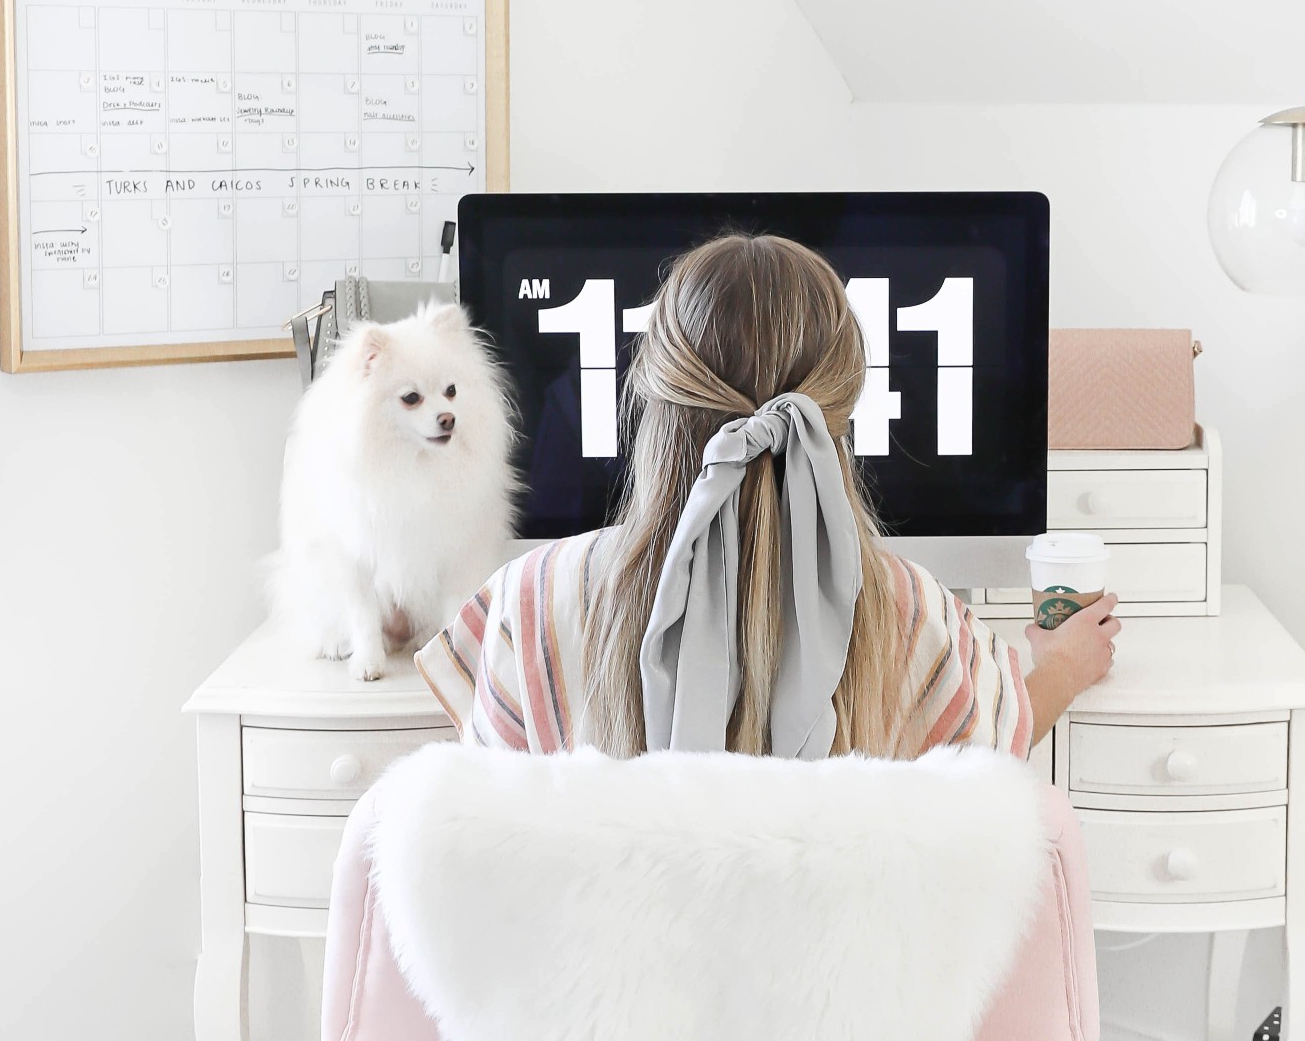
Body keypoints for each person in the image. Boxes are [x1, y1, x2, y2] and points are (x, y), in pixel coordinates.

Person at [418, 230, 1119, 759]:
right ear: (843, 403)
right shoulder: (912, 614)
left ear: (649, 390)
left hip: (609, 957)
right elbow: (991, 757)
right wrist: (1061, 668)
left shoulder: (526, 601)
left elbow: (497, 818)